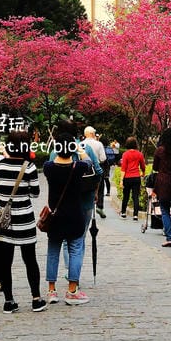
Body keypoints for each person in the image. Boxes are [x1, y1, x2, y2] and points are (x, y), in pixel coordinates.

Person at [0, 129, 44, 313]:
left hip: (3, 222)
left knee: (5, 262)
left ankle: (9, 301)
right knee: (30, 260)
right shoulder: (29, 168)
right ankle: (36, 299)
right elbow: (35, 194)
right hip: (24, 219)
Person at [42, 121, 95, 305]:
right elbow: (88, 162)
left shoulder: (48, 167)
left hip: (55, 218)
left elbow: (51, 160)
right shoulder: (78, 167)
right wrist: (79, 149)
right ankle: (72, 290)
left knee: (53, 252)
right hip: (75, 216)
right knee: (75, 250)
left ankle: (51, 291)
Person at [82, 126, 108, 218]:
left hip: (84, 171)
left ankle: (87, 206)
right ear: (92, 134)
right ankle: (100, 206)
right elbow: (103, 158)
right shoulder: (99, 144)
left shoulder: (81, 144)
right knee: (100, 187)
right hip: (97, 169)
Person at [118, 136, 146, 220]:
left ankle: (123, 212)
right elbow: (143, 166)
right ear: (135, 144)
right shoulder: (139, 154)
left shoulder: (125, 154)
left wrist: (121, 180)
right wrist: (143, 173)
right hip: (136, 177)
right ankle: (135, 215)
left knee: (126, 195)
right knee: (135, 196)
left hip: (127, 177)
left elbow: (123, 168)